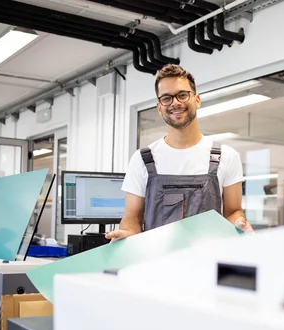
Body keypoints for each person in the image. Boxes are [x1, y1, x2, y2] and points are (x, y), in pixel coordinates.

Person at [106, 64, 254, 242]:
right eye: (166, 98)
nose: (175, 103)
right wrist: (128, 233)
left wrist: (239, 223)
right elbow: (132, 217)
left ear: (197, 100)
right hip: (157, 263)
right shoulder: (142, 159)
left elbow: (233, 211)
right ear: (159, 107)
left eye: (182, 95)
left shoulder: (226, 156)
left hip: (207, 263)